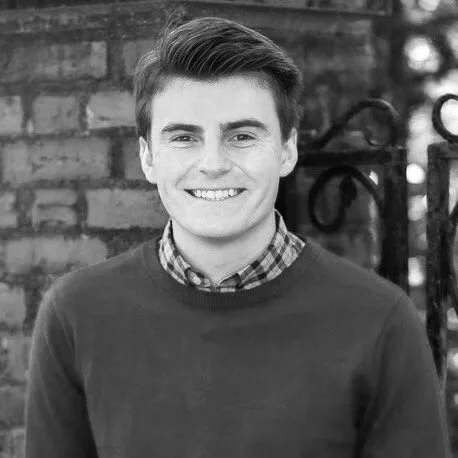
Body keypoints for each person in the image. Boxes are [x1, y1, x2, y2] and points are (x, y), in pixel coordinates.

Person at [25, 16, 452, 458]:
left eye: (242, 135)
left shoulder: (380, 323)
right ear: (148, 157)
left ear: (287, 150)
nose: (213, 164)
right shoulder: (75, 314)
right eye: (184, 137)